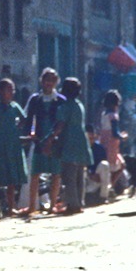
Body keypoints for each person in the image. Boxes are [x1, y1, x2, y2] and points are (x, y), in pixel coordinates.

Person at [0, 77, 28, 214]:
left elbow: (24, 118)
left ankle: (11, 207)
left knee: (12, 179)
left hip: (12, 147)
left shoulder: (14, 107)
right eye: (8, 89)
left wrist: (17, 129)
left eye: (12, 89)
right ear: (0, 92)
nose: (11, 92)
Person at [23, 68, 65, 217]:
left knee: (55, 173)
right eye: (46, 79)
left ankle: (52, 205)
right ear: (41, 81)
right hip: (40, 140)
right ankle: (31, 206)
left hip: (55, 141)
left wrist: (53, 137)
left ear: (56, 82)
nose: (49, 83)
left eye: (52, 80)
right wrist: (30, 134)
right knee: (35, 173)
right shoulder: (35, 99)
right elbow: (28, 119)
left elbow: (62, 122)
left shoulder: (61, 100)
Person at [53, 77, 95, 214]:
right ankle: (79, 203)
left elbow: (60, 127)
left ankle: (73, 204)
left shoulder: (64, 107)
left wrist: (49, 138)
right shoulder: (79, 105)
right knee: (79, 176)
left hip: (69, 143)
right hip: (82, 143)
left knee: (69, 177)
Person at [96, 89, 125, 203]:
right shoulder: (113, 115)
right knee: (119, 166)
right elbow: (115, 132)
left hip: (104, 141)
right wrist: (122, 137)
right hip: (112, 143)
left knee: (109, 167)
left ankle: (107, 188)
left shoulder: (104, 114)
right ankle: (108, 188)